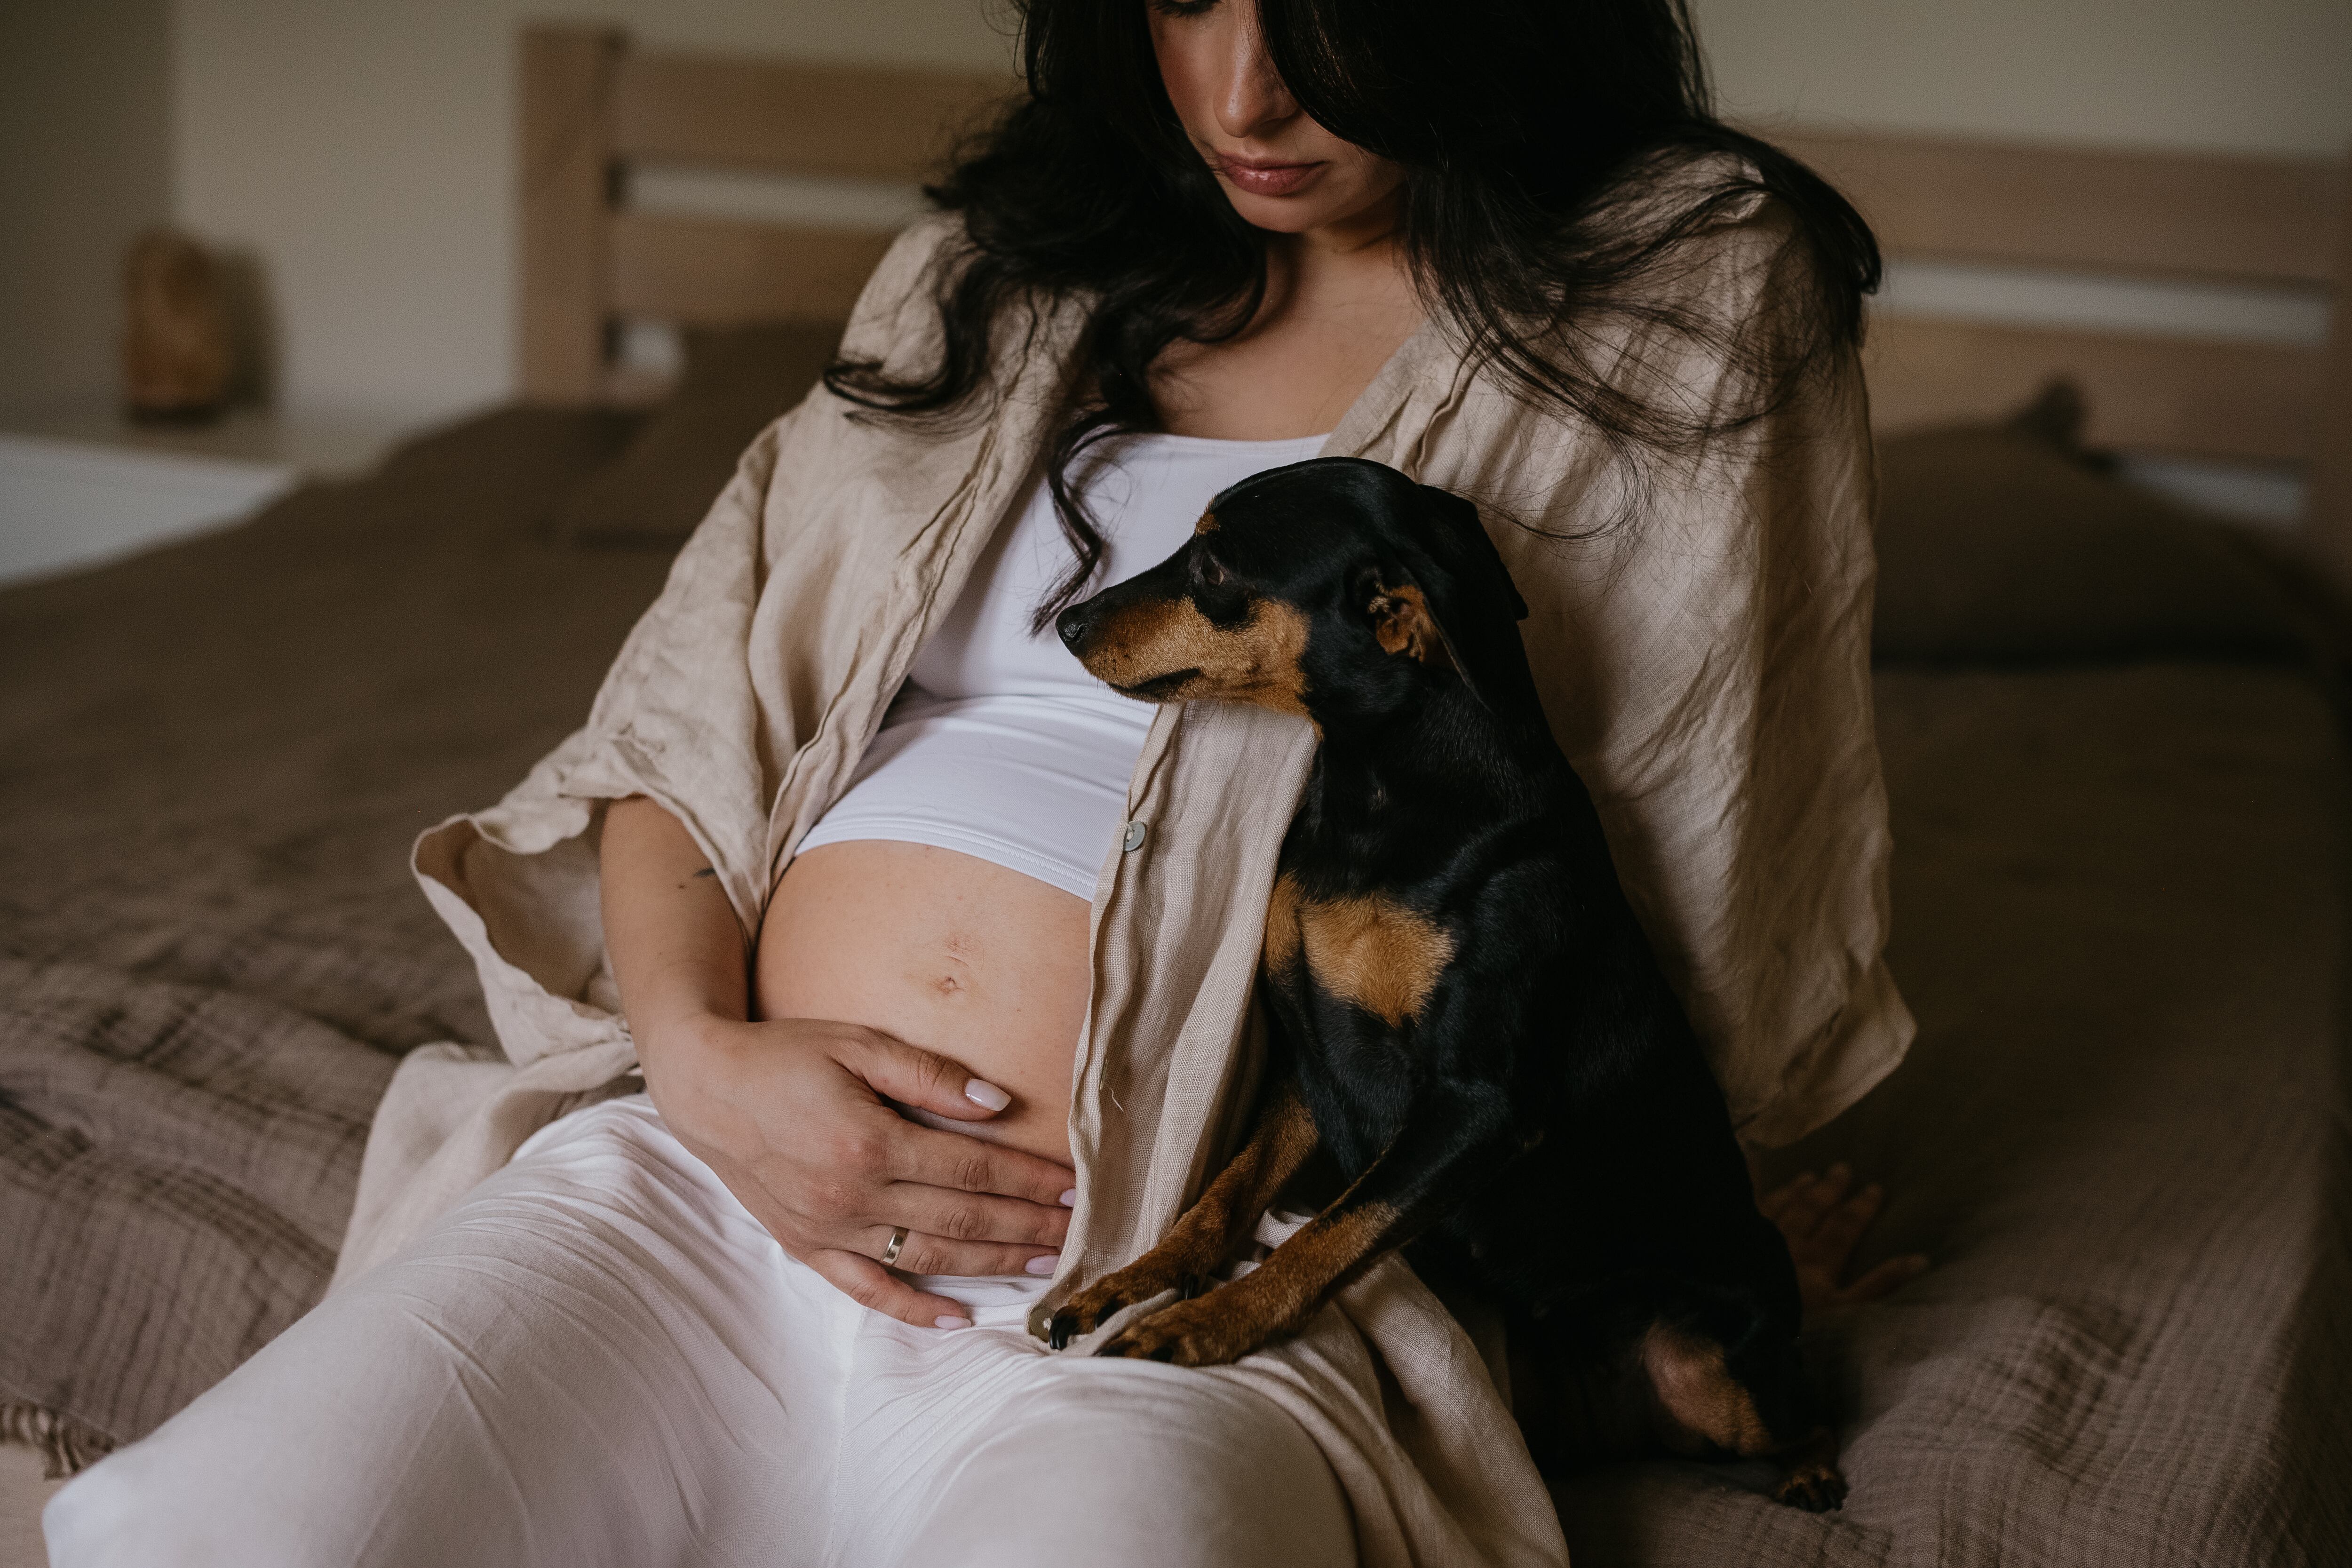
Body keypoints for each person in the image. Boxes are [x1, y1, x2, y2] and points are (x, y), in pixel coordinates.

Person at [46, 1, 1923, 1563]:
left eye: (1331, 7)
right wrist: (701, 1064)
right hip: (714, 1195)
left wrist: (1686, 1226)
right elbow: (686, 739)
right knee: (203, 1532)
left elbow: (1686, 842)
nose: (1246, 93)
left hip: (1183, 1279)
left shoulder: (1672, 286)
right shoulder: (998, 269)